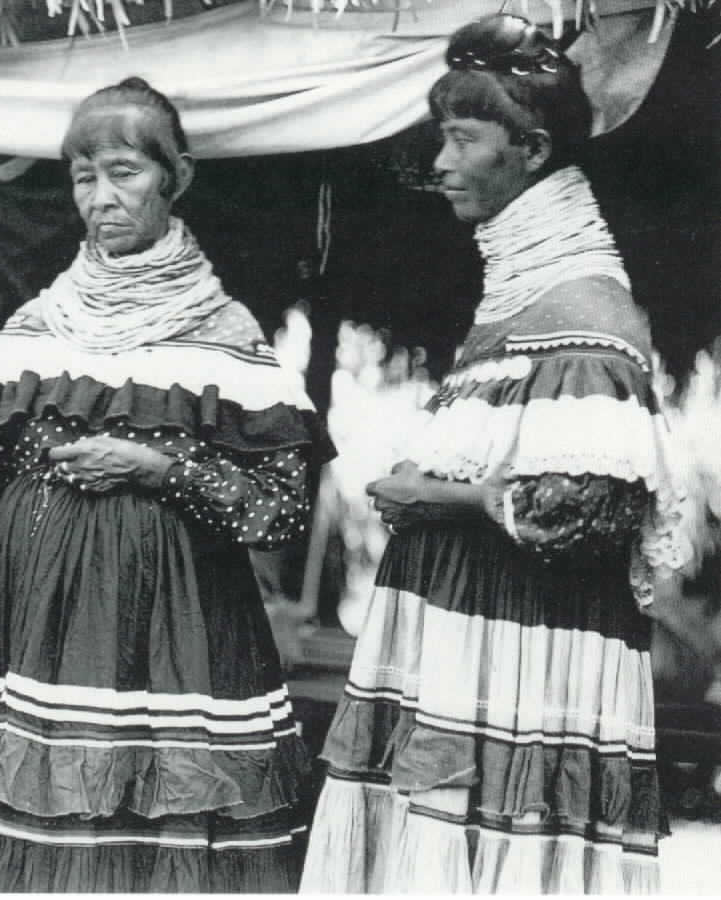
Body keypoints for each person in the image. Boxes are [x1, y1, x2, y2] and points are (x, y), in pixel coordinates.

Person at [300, 14, 690, 894]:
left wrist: (425, 495)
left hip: (527, 659)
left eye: (461, 138)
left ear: (531, 149)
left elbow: (584, 508)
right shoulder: (514, 309)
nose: (438, 163)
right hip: (475, 651)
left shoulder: (583, 312)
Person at [0, 76, 333, 893]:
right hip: (39, 639)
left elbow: (281, 509)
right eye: (84, 177)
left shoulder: (227, 338)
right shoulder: (35, 332)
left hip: (183, 646)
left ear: (174, 176)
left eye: (124, 172)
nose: (101, 199)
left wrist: (161, 467)